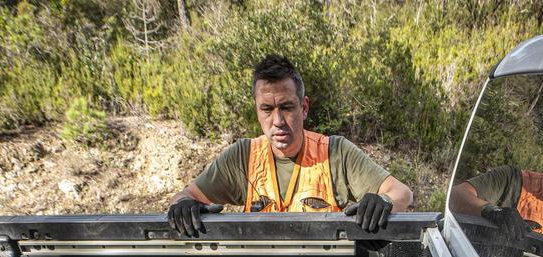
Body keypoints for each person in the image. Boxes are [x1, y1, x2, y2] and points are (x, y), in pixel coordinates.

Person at [167, 55, 413, 237]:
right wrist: (183, 206)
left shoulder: (335, 152)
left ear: (304, 107)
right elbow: (184, 196)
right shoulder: (242, 156)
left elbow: (402, 193)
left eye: (286, 107)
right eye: (267, 109)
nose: (277, 121)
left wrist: (383, 201)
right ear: (257, 109)